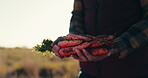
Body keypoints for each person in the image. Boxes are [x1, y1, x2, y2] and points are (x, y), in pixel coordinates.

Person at [51, 0, 148, 78]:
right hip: (87, 73)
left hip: (132, 71)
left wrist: (118, 45)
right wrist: (71, 42)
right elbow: (77, 15)